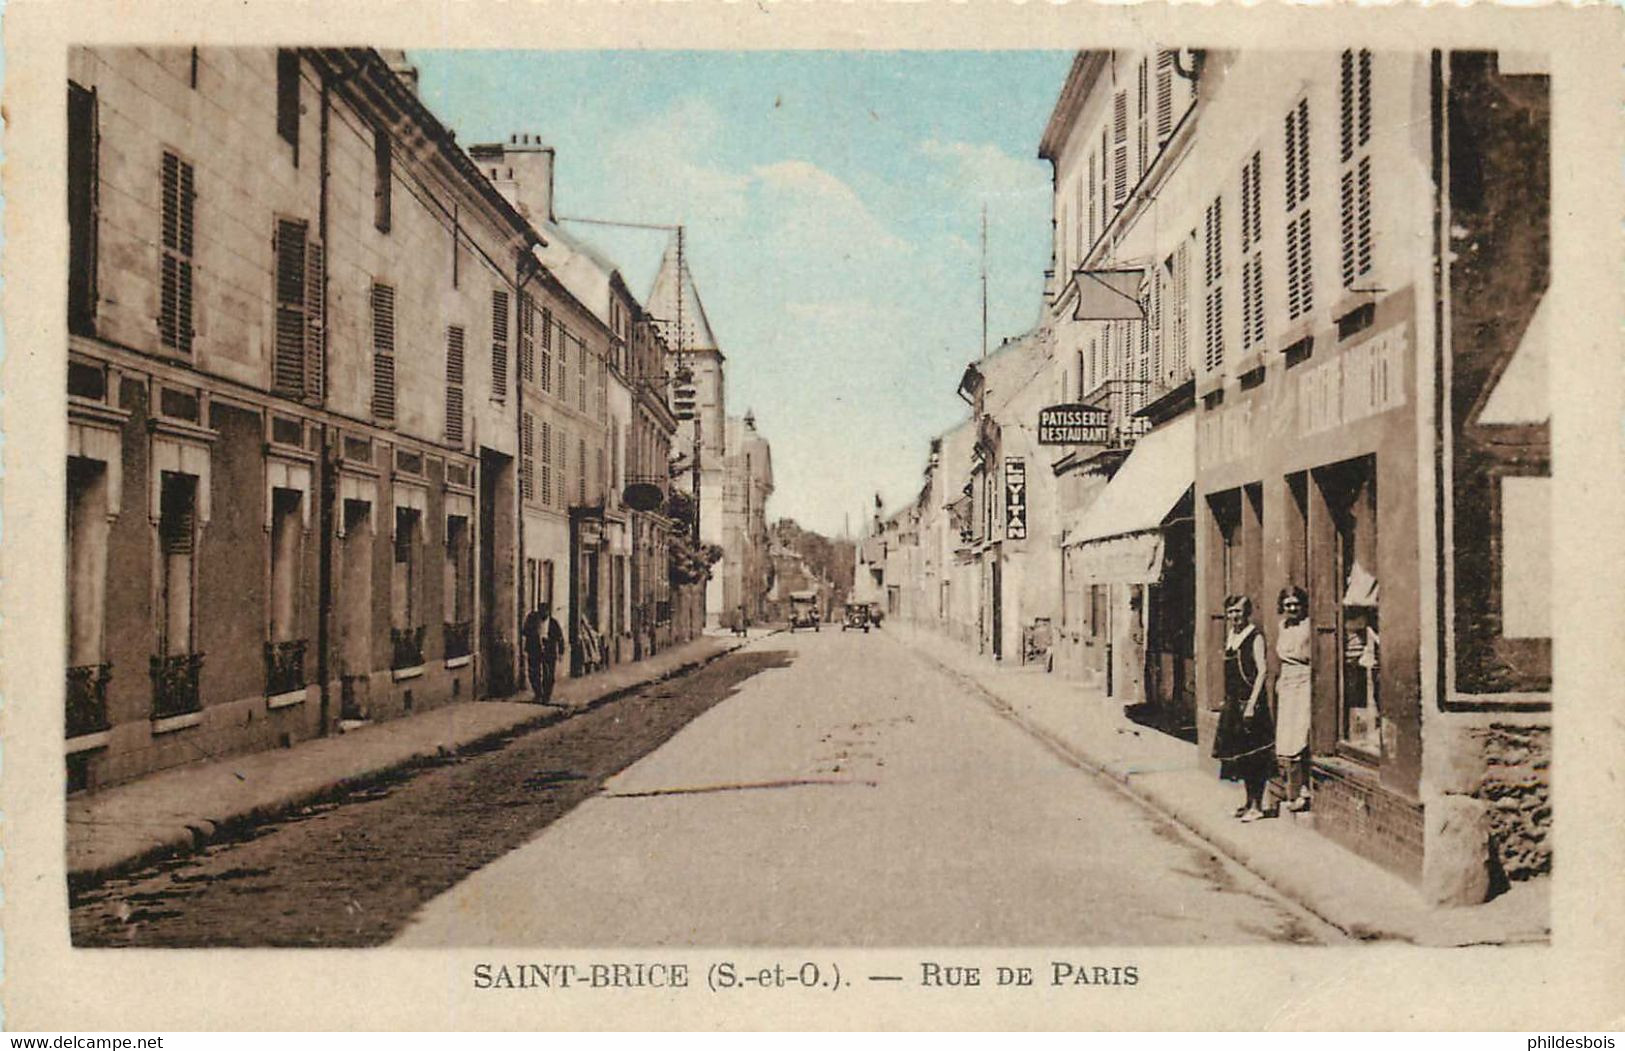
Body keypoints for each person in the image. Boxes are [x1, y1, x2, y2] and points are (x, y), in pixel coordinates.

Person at [1213, 594, 1274, 823]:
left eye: (1238, 611)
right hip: (1233, 703)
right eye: (1230, 612)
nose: (1234, 616)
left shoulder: (1255, 636)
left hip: (1250, 703)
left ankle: (1258, 805)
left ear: (1246, 613)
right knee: (1241, 755)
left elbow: (1262, 671)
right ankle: (1248, 802)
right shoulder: (1231, 635)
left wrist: (1251, 705)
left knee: (1255, 755)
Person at [1274, 586, 1313, 813]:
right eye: (1288, 604)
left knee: (1301, 735)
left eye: (1296, 604)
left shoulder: (1308, 626)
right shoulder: (1282, 626)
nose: (1292, 608)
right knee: (1286, 737)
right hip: (1287, 681)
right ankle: (1292, 791)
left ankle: (1304, 791)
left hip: (1303, 680)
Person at [522, 603, 564, 704]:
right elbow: (524, 631)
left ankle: (546, 696)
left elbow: (560, 638)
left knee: (549, 674)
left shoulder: (553, 623)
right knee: (533, 673)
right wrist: (534, 635)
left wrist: (561, 652)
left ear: (549, 613)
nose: (543, 615)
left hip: (549, 649)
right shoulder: (532, 619)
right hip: (534, 648)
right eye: (541, 612)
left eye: (545, 612)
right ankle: (538, 693)